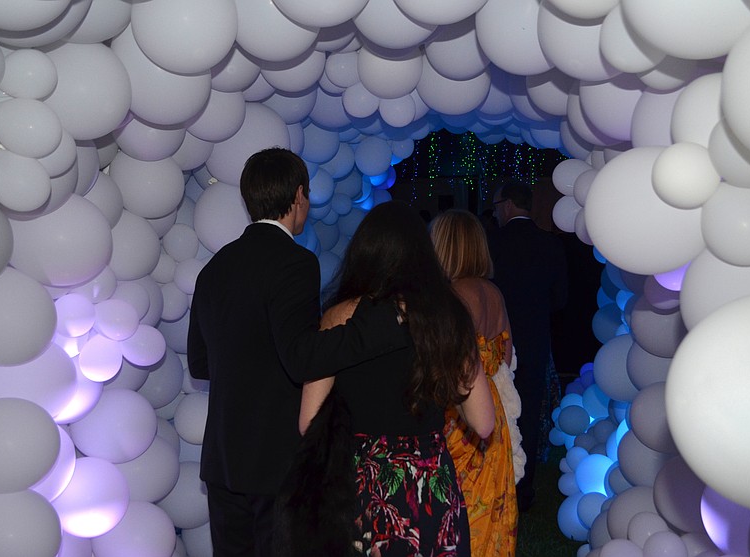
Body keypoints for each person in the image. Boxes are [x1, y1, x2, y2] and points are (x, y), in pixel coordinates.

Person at [187, 147, 406, 557]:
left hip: (223, 460)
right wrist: (373, 328)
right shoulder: (295, 263)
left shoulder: (214, 267)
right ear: (300, 196)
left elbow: (201, 363)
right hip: (274, 462)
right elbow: (302, 357)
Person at [296, 201, 495, 557]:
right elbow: (482, 423)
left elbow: (308, 422)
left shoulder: (339, 317)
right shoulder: (446, 318)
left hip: (362, 481)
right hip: (429, 481)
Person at [430, 209, 521, 557]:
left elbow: (444, 364)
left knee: (459, 512)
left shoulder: (451, 297)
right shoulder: (493, 292)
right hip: (491, 413)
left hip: (460, 415)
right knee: (491, 512)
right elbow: (508, 359)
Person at [486, 181, 568, 512]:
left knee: (495, 411)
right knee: (528, 414)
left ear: (507, 205)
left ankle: (496, 482)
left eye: (495, 207)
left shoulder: (493, 242)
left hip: (494, 343)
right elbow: (561, 299)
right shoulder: (550, 244)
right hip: (533, 342)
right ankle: (524, 490)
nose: (494, 213)